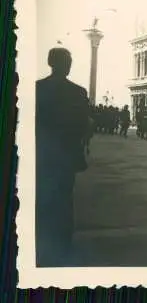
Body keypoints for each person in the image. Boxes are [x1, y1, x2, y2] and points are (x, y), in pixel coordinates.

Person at [36, 46, 90, 266]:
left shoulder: (38, 88)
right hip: (66, 154)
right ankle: (63, 240)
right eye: (67, 61)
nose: (69, 65)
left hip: (44, 153)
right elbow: (83, 124)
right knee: (64, 197)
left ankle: (46, 239)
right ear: (56, 63)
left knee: (45, 196)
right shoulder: (78, 92)